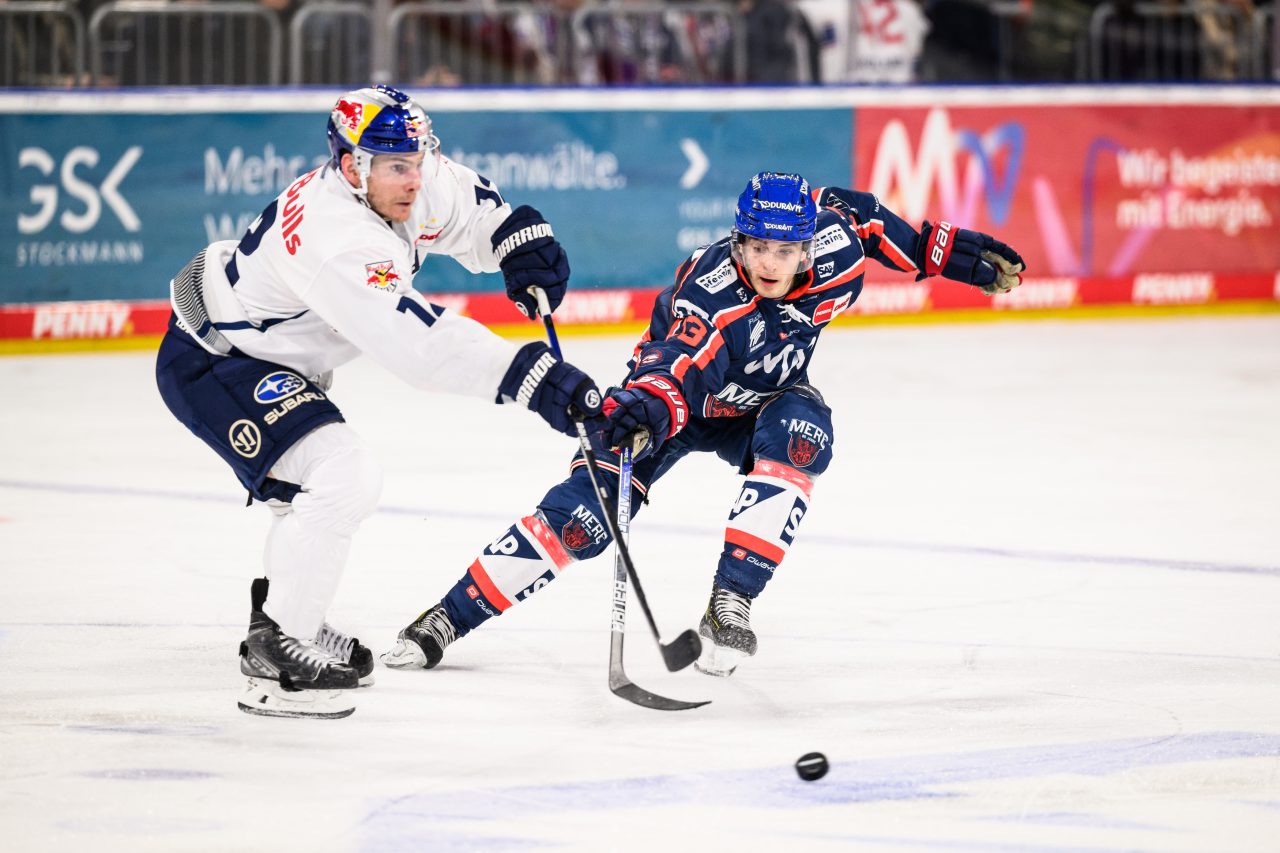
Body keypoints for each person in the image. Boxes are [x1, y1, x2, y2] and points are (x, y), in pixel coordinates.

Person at [382, 170, 1024, 679]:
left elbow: (866, 218)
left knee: (802, 435)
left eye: (784, 249)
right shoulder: (713, 299)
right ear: (739, 242)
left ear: (809, 247)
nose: (769, 263)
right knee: (585, 519)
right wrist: (649, 410)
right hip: (676, 404)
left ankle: (730, 603)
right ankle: (445, 618)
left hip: (762, 406)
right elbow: (679, 368)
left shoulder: (837, 252)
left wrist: (945, 253)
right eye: (756, 247)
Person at [154, 85, 603, 718]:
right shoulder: (334, 235)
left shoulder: (399, 170)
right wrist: (533, 377)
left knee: (304, 495)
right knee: (343, 474)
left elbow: (470, 210)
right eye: (397, 166)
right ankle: (277, 653)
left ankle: (288, 618)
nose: (414, 178)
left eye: (418, 160)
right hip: (215, 361)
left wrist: (514, 239)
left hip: (267, 359)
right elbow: (417, 343)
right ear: (350, 166)